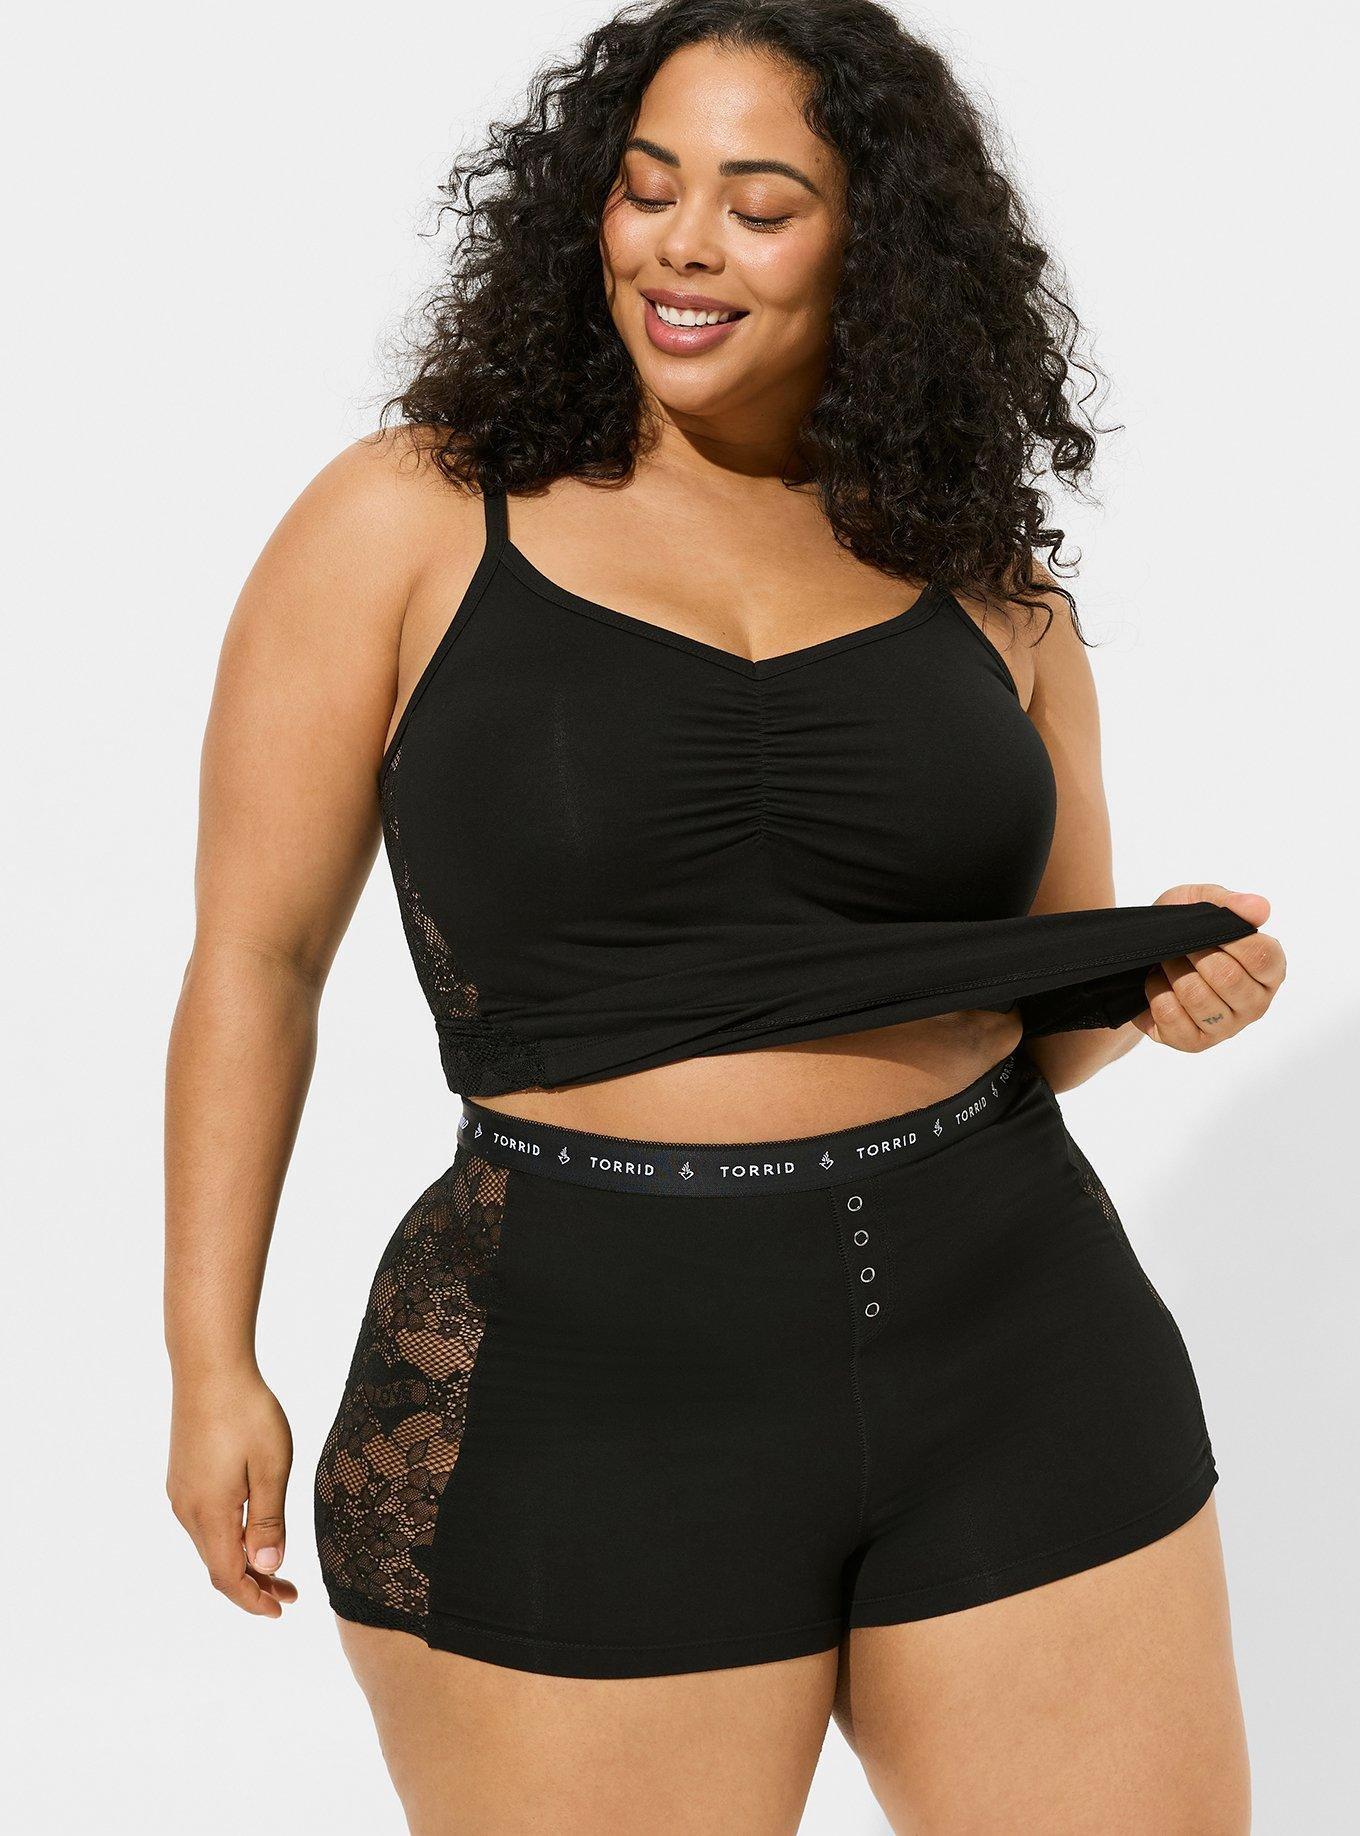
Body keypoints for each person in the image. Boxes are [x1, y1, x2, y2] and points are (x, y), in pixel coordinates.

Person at [164, 3, 1285, 1830]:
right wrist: (208, 1359)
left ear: (876, 249)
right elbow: (256, 960)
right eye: (647, 188)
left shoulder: (991, 586)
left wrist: (1160, 981)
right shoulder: (409, 521)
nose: (684, 245)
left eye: (759, 207)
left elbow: (1040, 1021)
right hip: (584, 1375)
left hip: (1017, 1338)